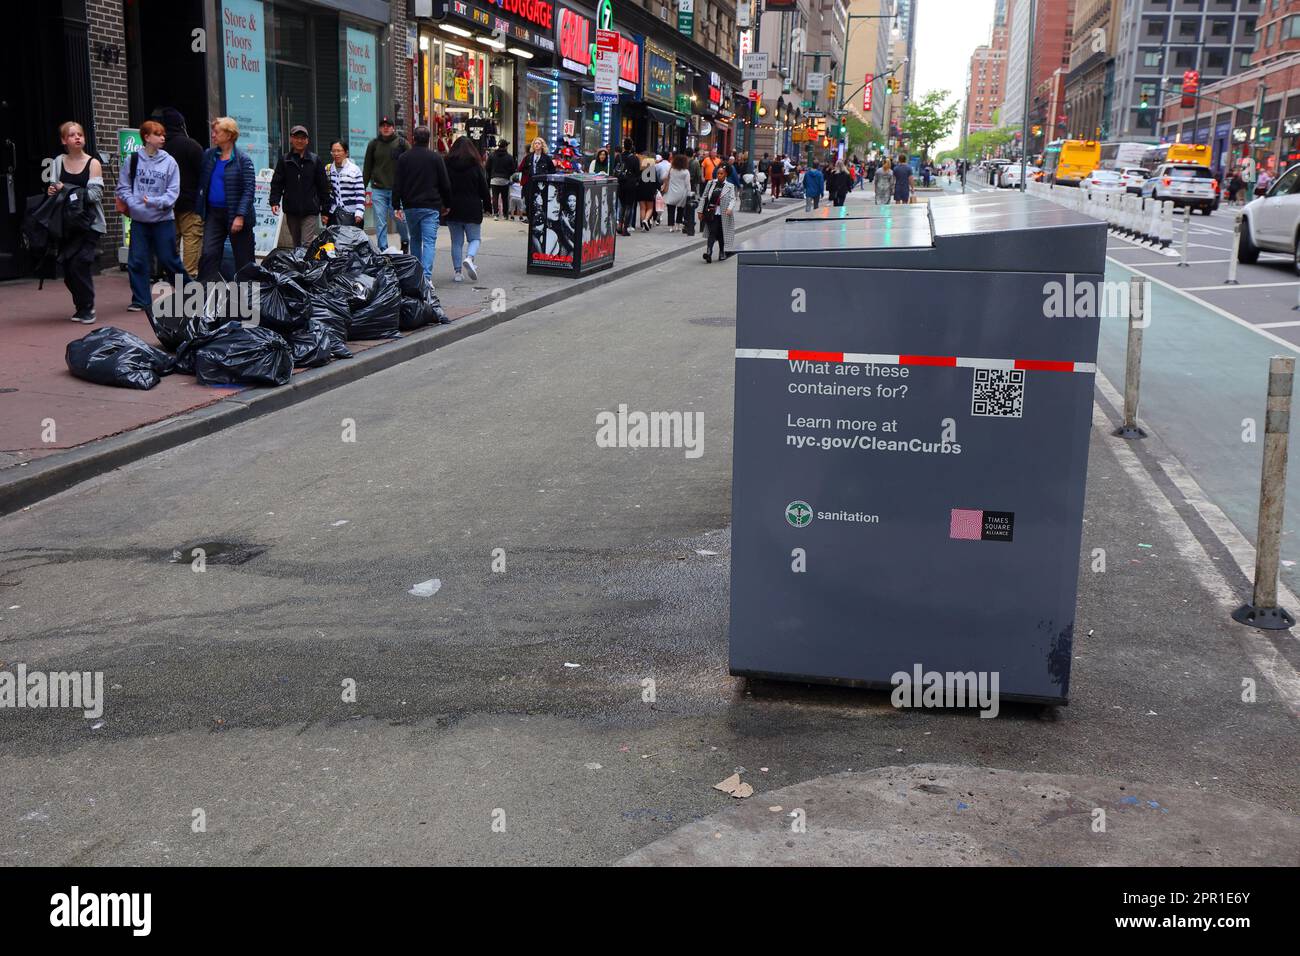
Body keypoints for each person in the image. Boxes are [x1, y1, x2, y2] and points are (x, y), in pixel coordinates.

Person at [116, 119, 186, 318]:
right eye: (158, 134)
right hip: (139, 220)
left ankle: (189, 291)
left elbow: (173, 192)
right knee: (137, 260)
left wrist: (155, 202)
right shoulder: (133, 160)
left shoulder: (170, 162)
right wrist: (135, 204)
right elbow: (123, 187)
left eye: (163, 134)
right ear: (146, 137)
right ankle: (140, 300)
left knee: (168, 259)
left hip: (163, 219)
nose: (163, 137)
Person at [48, 121, 105, 323]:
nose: (77, 138)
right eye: (72, 135)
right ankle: (81, 307)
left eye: (80, 134)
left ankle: (88, 308)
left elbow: (95, 195)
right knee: (68, 270)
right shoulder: (57, 162)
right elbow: (55, 189)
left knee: (80, 263)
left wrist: (67, 189)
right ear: (64, 140)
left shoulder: (93, 164)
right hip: (67, 224)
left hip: (89, 223)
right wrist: (53, 190)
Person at [196, 116, 255, 282]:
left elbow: (249, 190)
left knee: (243, 259)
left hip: (236, 215)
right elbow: (202, 183)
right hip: (214, 213)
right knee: (209, 254)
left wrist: (240, 216)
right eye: (213, 131)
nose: (213, 135)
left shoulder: (242, 160)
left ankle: (247, 300)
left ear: (229, 135)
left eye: (216, 132)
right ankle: (205, 296)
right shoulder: (209, 156)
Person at [393, 125, 453, 285]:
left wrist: (396, 205)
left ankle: (416, 275)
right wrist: (447, 204)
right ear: (428, 140)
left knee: (415, 240)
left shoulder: (404, 158)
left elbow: (397, 183)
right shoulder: (435, 158)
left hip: (410, 205)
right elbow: (445, 184)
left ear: (413, 138)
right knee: (429, 242)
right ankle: (426, 277)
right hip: (430, 206)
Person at [152, 107, 204, 278]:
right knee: (192, 240)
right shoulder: (192, 146)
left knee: (169, 241)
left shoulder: (159, 149)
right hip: (190, 203)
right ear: (182, 125)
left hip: (166, 204)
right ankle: (189, 276)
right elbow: (203, 175)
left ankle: (170, 275)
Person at [269, 125, 332, 248]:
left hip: (310, 210)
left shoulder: (315, 160)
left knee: (306, 244)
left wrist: (325, 211)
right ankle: (298, 266)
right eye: (296, 137)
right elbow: (277, 183)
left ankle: (304, 267)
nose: (299, 140)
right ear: (291, 139)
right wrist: (274, 201)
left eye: (303, 138)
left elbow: (323, 186)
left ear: (307, 140)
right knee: (296, 244)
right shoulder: (285, 160)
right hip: (291, 209)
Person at [444, 136, 489, 283]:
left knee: (456, 242)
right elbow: (484, 188)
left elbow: (443, 186)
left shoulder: (447, 164)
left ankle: (457, 273)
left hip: (453, 208)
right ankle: (469, 258)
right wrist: (488, 206)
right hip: (472, 207)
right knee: (475, 239)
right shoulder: (476, 165)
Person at [363, 117, 409, 252]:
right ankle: (383, 249)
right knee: (380, 221)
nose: (386, 128)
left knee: (399, 219)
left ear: (393, 127)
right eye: (383, 126)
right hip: (378, 189)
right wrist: (363, 187)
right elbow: (367, 167)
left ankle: (405, 241)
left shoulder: (402, 143)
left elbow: (412, 164)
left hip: (398, 190)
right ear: (379, 128)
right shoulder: (373, 144)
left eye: (388, 125)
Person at [699, 164, 737, 263]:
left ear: (726, 175)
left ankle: (721, 252)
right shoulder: (711, 183)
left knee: (721, 233)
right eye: (718, 173)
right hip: (711, 212)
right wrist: (700, 211)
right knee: (712, 232)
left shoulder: (730, 186)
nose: (719, 175)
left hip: (724, 213)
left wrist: (729, 208)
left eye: (721, 174)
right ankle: (709, 252)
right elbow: (704, 196)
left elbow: (733, 199)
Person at [327, 140, 366, 228]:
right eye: (333, 151)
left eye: (339, 151)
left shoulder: (354, 170)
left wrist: (359, 212)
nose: (336, 154)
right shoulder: (328, 169)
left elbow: (360, 193)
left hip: (352, 215)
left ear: (346, 153)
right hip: (334, 214)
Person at [519, 137, 555, 212]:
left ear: (542, 145)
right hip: (529, 183)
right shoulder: (528, 157)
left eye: (539, 143)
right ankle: (530, 219)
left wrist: (545, 175)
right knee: (528, 202)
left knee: (541, 202)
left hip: (542, 183)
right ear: (533, 145)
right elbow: (521, 168)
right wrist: (527, 172)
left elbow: (552, 170)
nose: (537, 145)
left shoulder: (546, 158)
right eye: (535, 143)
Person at [662, 152, 692, 233]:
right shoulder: (686, 172)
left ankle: (671, 226)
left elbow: (664, 177)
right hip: (682, 193)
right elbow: (687, 184)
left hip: (671, 192)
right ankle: (678, 225)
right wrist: (689, 193)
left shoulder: (671, 170)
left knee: (671, 210)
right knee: (680, 210)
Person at [615, 139, 640, 236]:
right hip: (631, 184)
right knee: (629, 206)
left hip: (621, 184)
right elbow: (638, 173)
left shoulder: (619, 157)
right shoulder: (634, 158)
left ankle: (619, 226)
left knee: (622, 206)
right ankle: (625, 228)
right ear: (631, 146)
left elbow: (615, 169)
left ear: (623, 146)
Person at [488, 140, 516, 220]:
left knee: (495, 197)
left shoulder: (492, 155)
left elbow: (487, 167)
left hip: (494, 179)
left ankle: (496, 214)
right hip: (505, 180)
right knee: (504, 197)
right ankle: (505, 215)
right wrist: (507, 175)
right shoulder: (509, 157)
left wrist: (492, 174)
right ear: (506, 146)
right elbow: (513, 169)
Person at [637, 154, 659, 231]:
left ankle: (643, 226)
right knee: (650, 208)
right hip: (650, 190)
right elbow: (655, 181)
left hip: (640, 190)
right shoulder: (652, 169)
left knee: (642, 208)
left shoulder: (641, 169)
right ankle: (646, 220)